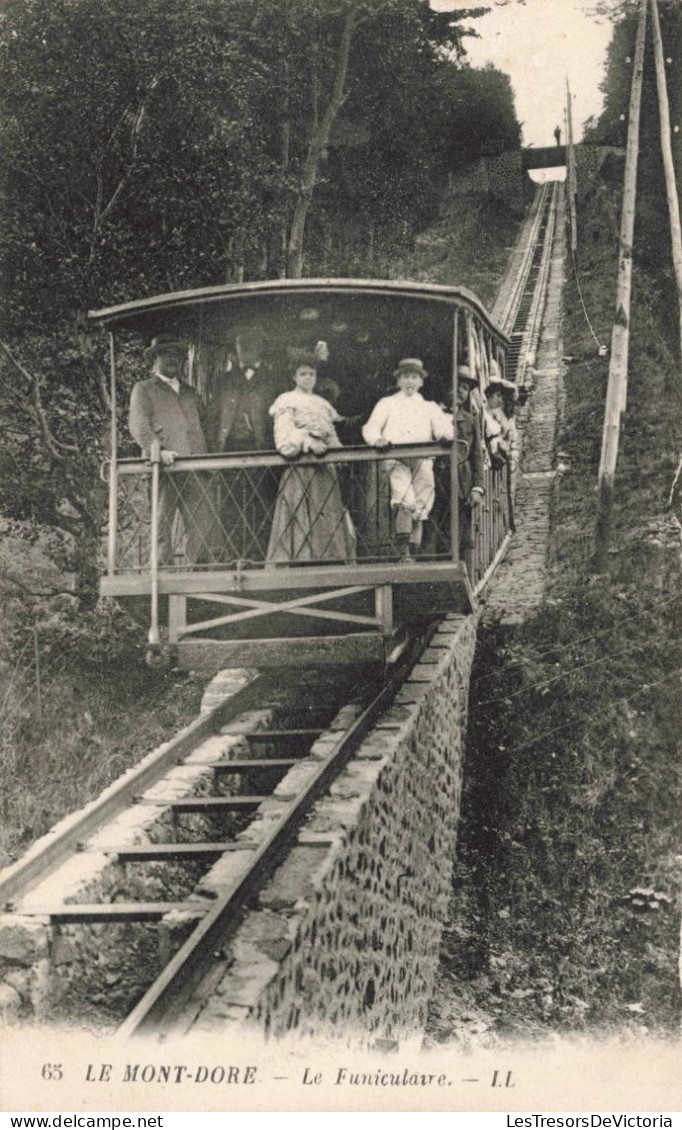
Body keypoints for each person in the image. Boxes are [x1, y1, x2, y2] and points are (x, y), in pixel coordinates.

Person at [128, 334, 214, 567]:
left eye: (176, 356)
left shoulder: (190, 392)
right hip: (164, 467)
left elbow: (206, 425)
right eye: (166, 355)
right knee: (162, 521)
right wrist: (158, 450)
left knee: (202, 522)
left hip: (196, 466)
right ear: (154, 360)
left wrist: (207, 457)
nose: (172, 360)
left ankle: (200, 570)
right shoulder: (144, 389)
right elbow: (139, 425)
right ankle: (161, 570)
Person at [362, 357, 454, 562]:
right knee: (405, 500)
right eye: (406, 377)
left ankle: (415, 551)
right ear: (399, 380)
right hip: (397, 458)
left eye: (414, 377)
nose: (410, 381)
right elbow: (371, 426)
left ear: (421, 381)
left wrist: (444, 435)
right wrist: (377, 439)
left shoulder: (428, 406)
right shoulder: (388, 403)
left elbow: (443, 427)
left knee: (422, 501)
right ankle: (404, 553)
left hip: (422, 459)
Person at [266, 360, 356, 563]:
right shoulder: (286, 400)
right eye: (303, 374)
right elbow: (284, 437)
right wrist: (307, 442)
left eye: (311, 374)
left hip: (324, 469)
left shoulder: (322, 403)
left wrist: (337, 451)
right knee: (298, 512)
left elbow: (331, 434)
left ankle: (330, 559)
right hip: (301, 467)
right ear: (294, 377)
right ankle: (299, 560)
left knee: (327, 511)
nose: (308, 378)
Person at [208, 324, 282, 562]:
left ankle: (260, 557)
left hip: (263, 450)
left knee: (262, 501)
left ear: (261, 347)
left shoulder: (274, 380)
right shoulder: (224, 380)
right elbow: (212, 417)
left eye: (251, 344)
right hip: (230, 450)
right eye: (242, 345)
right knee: (231, 503)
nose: (246, 349)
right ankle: (234, 557)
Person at [455, 365, 485, 560]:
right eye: (457, 385)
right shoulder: (434, 415)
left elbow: (476, 456)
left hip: (462, 486)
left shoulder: (470, 420)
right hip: (439, 485)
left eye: (465, 388)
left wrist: (477, 487)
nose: (460, 391)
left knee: (463, 537)